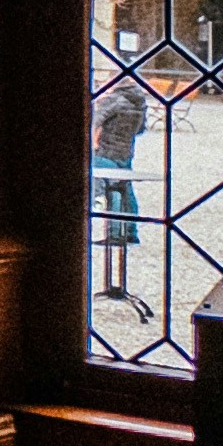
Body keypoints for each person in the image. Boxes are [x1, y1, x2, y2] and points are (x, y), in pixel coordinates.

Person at [92, 72, 144, 300]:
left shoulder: (114, 99)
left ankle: (114, 232)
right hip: (126, 151)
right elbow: (141, 130)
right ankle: (130, 231)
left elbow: (94, 119)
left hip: (106, 150)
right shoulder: (139, 103)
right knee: (126, 190)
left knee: (105, 188)